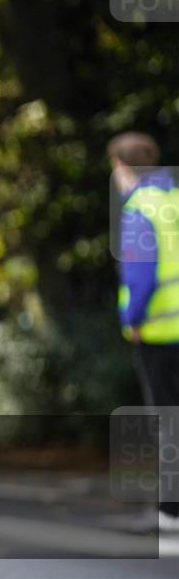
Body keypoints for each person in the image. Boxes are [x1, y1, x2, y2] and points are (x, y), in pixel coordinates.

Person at [108, 132, 179, 533]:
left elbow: (140, 276)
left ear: (121, 167)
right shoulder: (175, 201)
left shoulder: (139, 209)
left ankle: (170, 512)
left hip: (159, 333)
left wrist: (130, 319)